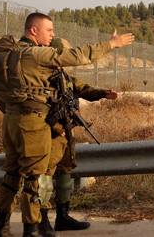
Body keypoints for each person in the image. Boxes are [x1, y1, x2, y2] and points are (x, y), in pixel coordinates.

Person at [0, 12, 134, 237]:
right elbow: (77, 56)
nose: (52, 35)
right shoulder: (36, 55)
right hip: (34, 122)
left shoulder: (11, 55)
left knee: (12, 174)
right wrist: (111, 44)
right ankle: (33, 229)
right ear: (33, 30)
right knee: (35, 178)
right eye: (49, 30)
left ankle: (1, 227)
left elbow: (74, 85)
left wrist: (101, 93)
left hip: (12, 120)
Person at [39, 38, 119, 234]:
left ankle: (62, 216)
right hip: (49, 132)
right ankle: (40, 219)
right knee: (45, 175)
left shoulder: (63, 76)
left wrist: (102, 93)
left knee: (66, 169)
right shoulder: (40, 75)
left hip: (65, 130)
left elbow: (81, 88)